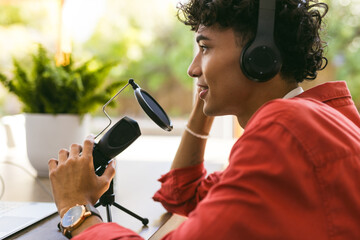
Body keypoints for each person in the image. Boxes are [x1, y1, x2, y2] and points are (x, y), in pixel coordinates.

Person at [48, 0, 360, 239]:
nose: (193, 69)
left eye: (205, 47)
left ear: (259, 57)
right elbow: (184, 197)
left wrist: (75, 209)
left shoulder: (284, 129)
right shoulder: (320, 118)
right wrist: (207, 97)